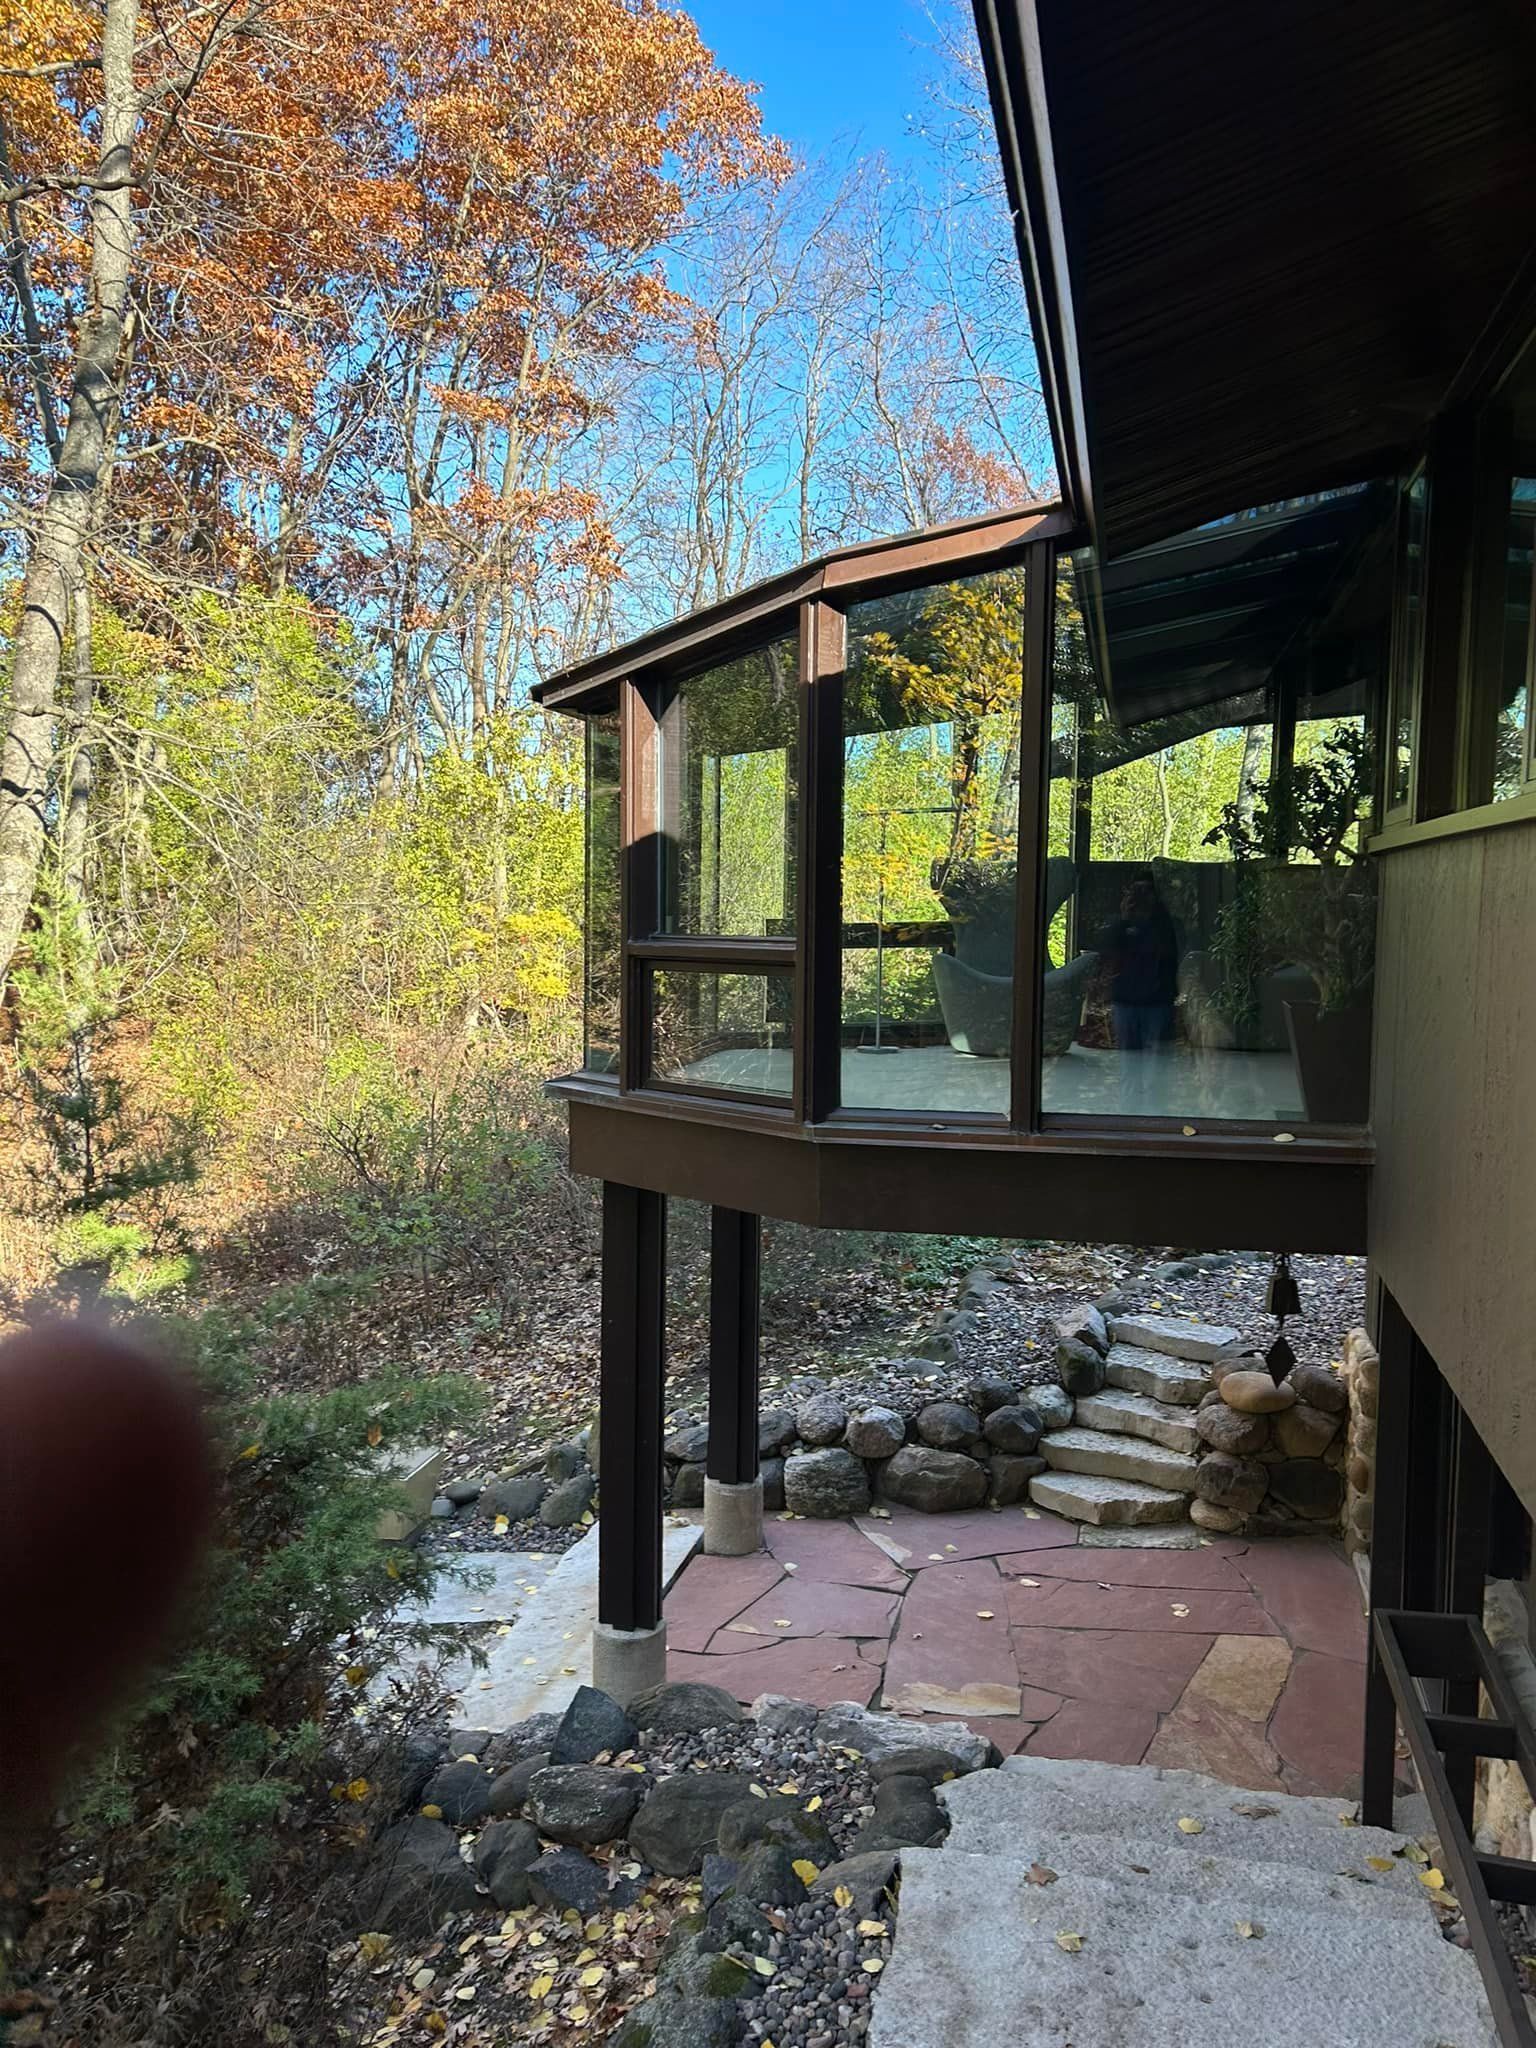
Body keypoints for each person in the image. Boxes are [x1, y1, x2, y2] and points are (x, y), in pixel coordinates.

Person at [1094, 871, 1180, 1110]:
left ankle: (1155, 1118)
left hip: (1158, 1001)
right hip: (1126, 1001)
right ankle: (1129, 1116)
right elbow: (1106, 951)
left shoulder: (1165, 923)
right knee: (1128, 1067)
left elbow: (1169, 954)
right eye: (1136, 892)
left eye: (1146, 892)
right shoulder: (1120, 924)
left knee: (1157, 1070)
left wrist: (1151, 918)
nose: (1141, 898)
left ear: (1155, 895)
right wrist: (1124, 918)